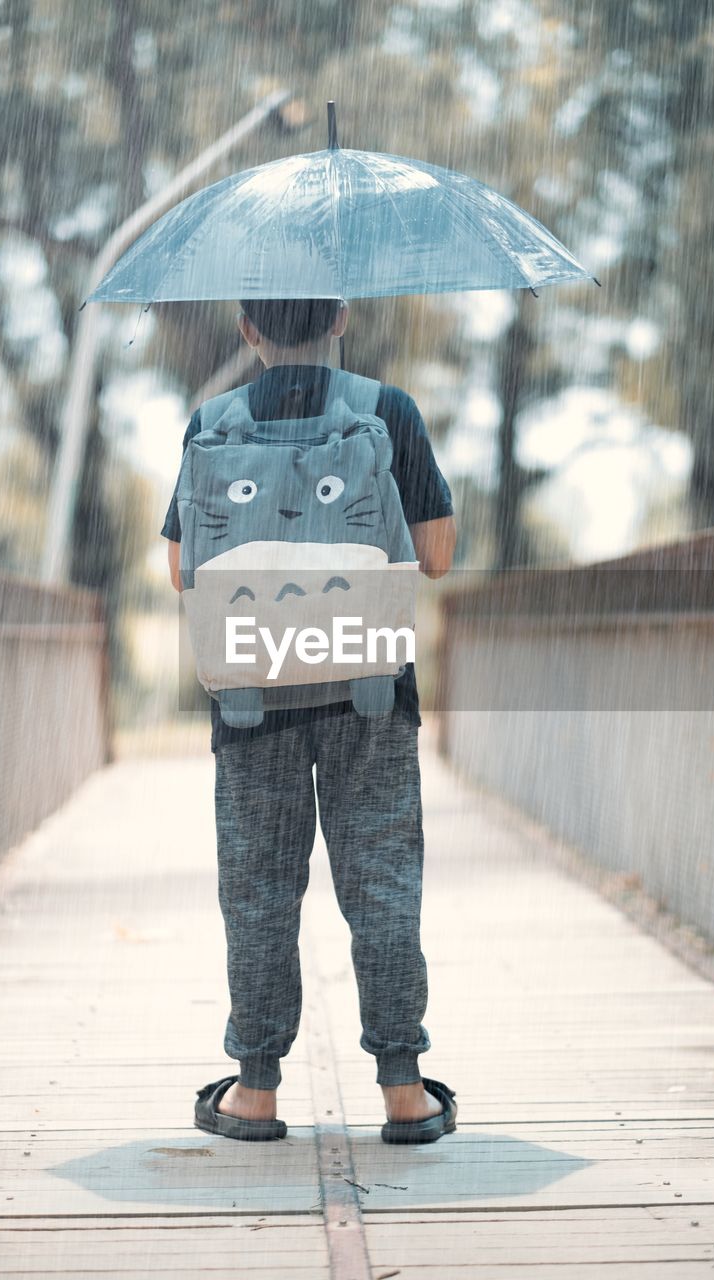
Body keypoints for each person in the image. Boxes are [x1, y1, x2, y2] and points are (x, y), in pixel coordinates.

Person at [162, 297, 458, 1142]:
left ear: (247, 328)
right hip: (367, 690)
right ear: (342, 318)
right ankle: (404, 1090)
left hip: (252, 697)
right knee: (382, 890)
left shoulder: (211, 421)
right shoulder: (384, 410)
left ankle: (255, 1091)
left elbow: (186, 572)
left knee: (258, 893)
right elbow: (434, 559)